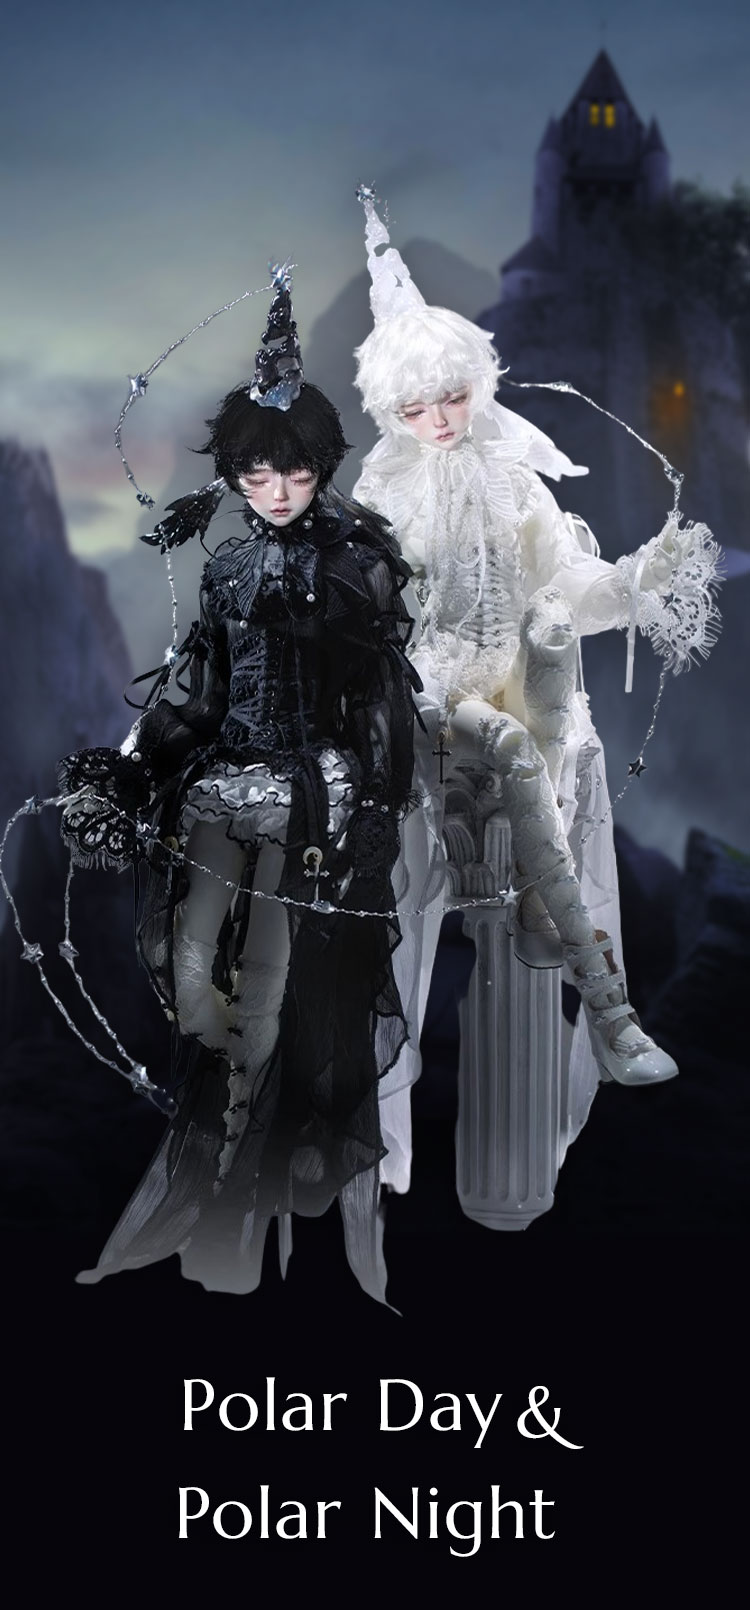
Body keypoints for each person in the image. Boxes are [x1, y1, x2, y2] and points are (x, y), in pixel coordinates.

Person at [59, 270, 420, 1302]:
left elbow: (382, 698)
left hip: (310, 798)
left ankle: (225, 1206)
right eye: (256, 474)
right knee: (189, 981)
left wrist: (373, 806)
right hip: (218, 789)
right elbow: (197, 692)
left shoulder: (357, 567)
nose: (275, 491)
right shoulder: (225, 569)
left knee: (260, 990)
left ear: (319, 469)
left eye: (293, 473)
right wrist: (129, 773)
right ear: (235, 475)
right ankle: (230, 1128)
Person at [352, 190, 720, 1092]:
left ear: (476, 386)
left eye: (453, 397)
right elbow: (364, 617)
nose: (441, 419)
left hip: (519, 674)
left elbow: (565, 584)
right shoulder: (380, 498)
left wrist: (636, 579)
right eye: (418, 407)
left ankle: (554, 935)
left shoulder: (516, 481)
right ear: (393, 410)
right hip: (430, 688)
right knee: (514, 753)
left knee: (547, 688)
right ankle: (612, 1011)